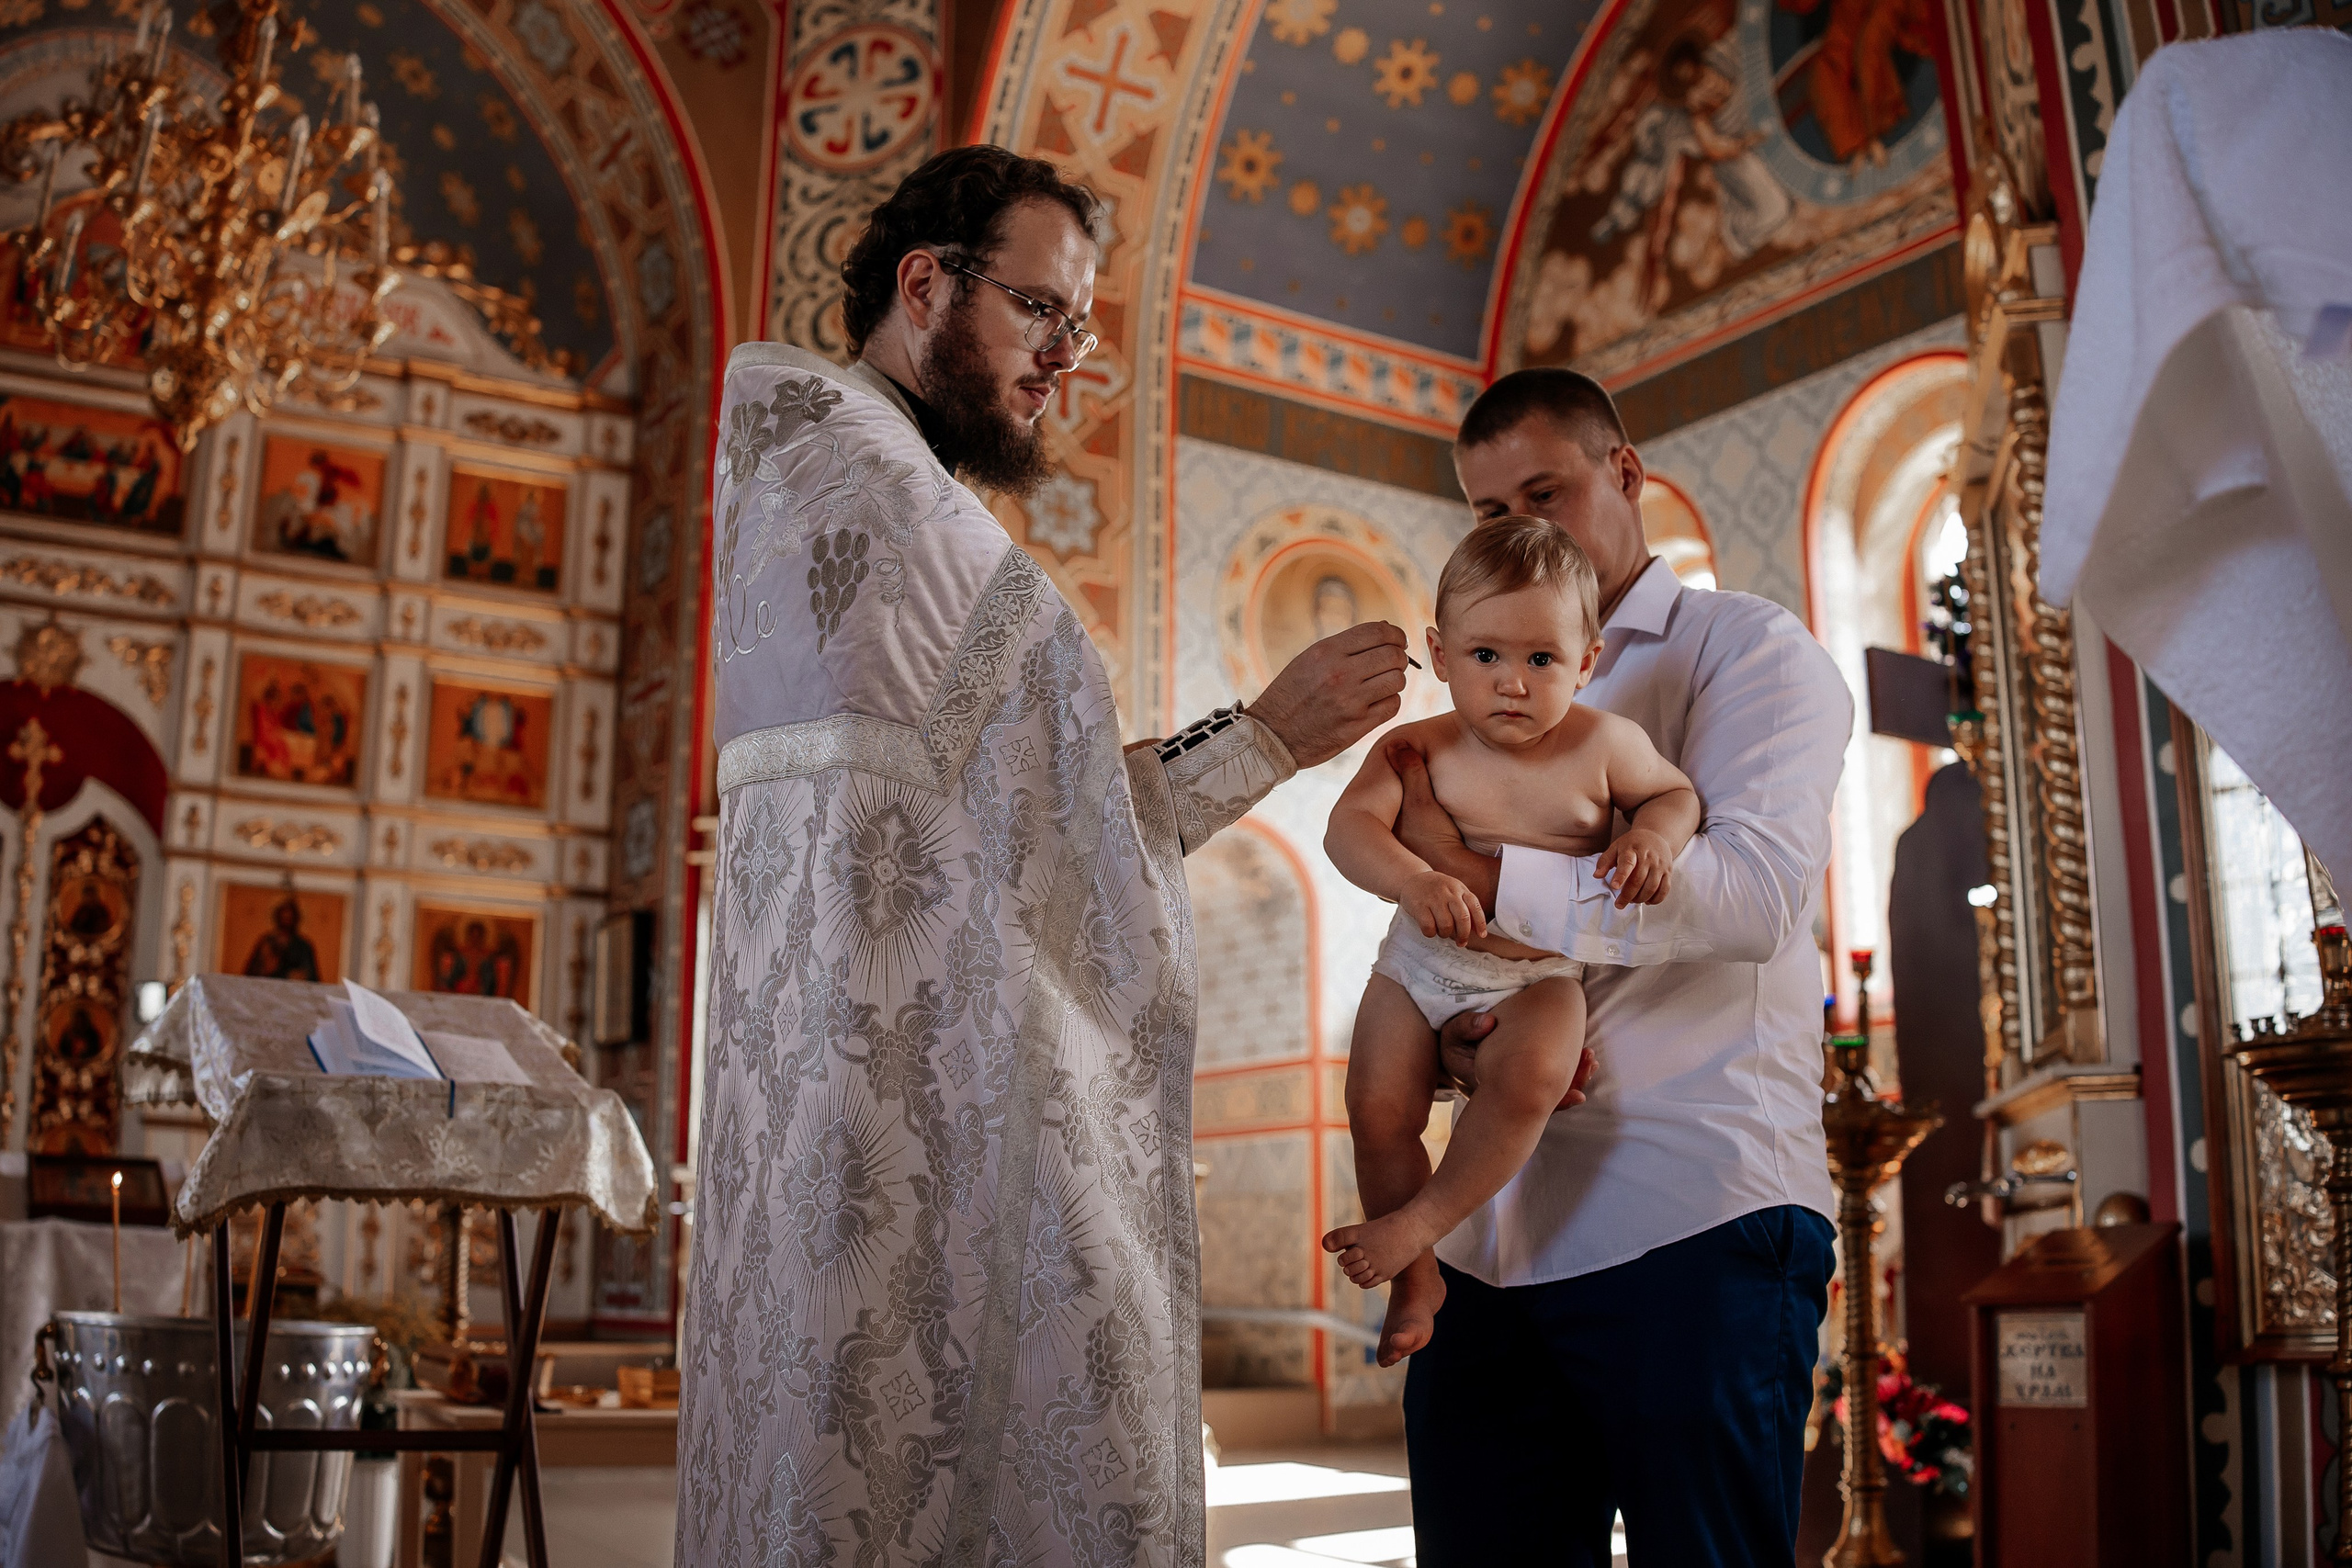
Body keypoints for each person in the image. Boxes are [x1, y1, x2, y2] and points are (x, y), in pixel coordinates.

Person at [678, 144, 1410, 1568]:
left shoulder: (809, 469)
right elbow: (1064, 827)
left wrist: (1259, 737)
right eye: (1042, 313)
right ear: (924, 281)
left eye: (1082, 326)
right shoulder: (886, 495)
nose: (1069, 359)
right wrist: (1266, 732)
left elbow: (1022, 817)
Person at [1393, 368, 1850, 1566]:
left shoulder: (1743, 651)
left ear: (1628, 474)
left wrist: (1493, 881)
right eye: (1490, 515)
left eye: (1545, 490)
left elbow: (1748, 899)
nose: (1523, 531)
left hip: (1690, 1205)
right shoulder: (1490, 688)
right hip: (1491, 1234)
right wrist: (1453, 1030)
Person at [1317, 515, 1699, 1367]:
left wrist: (1653, 838)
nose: (1513, 684)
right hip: (1419, 965)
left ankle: (1417, 1224)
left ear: (1588, 660)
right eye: (1486, 656)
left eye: (1542, 659)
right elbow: (1349, 828)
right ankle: (1419, 1278)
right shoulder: (1418, 744)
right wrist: (1412, 879)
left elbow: (1675, 796)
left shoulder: (1604, 745)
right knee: (1376, 1108)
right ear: (1441, 653)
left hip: (1536, 980)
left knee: (1534, 1073)